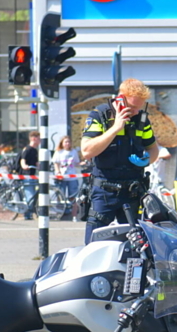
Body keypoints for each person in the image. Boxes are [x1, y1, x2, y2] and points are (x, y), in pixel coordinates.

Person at [80, 78, 160, 243]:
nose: (136, 112)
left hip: (132, 191)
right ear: (120, 100)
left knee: (137, 247)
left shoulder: (141, 119)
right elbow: (86, 151)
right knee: (93, 245)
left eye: (139, 108)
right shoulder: (101, 115)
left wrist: (146, 161)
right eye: (132, 108)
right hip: (104, 191)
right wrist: (116, 127)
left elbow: (153, 150)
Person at [19, 131, 41, 220]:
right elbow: (22, 160)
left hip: (32, 175)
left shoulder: (35, 150)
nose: (40, 141)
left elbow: (36, 162)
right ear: (34, 138)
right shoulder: (27, 149)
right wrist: (24, 166)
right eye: (39, 139)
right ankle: (27, 214)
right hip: (27, 175)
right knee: (30, 195)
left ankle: (31, 212)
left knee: (34, 195)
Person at [53, 135, 81, 199]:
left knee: (73, 196)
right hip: (62, 177)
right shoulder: (59, 152)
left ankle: (73, 208)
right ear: (62, 143)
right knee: (60, 196)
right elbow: (56, 163)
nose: (67, 143)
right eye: (66, 142)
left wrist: (82, 163)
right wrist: (58, 172)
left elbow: (76, 163)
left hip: (72, 177)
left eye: (69, 142)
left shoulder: (74, 152)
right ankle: (60, 208)